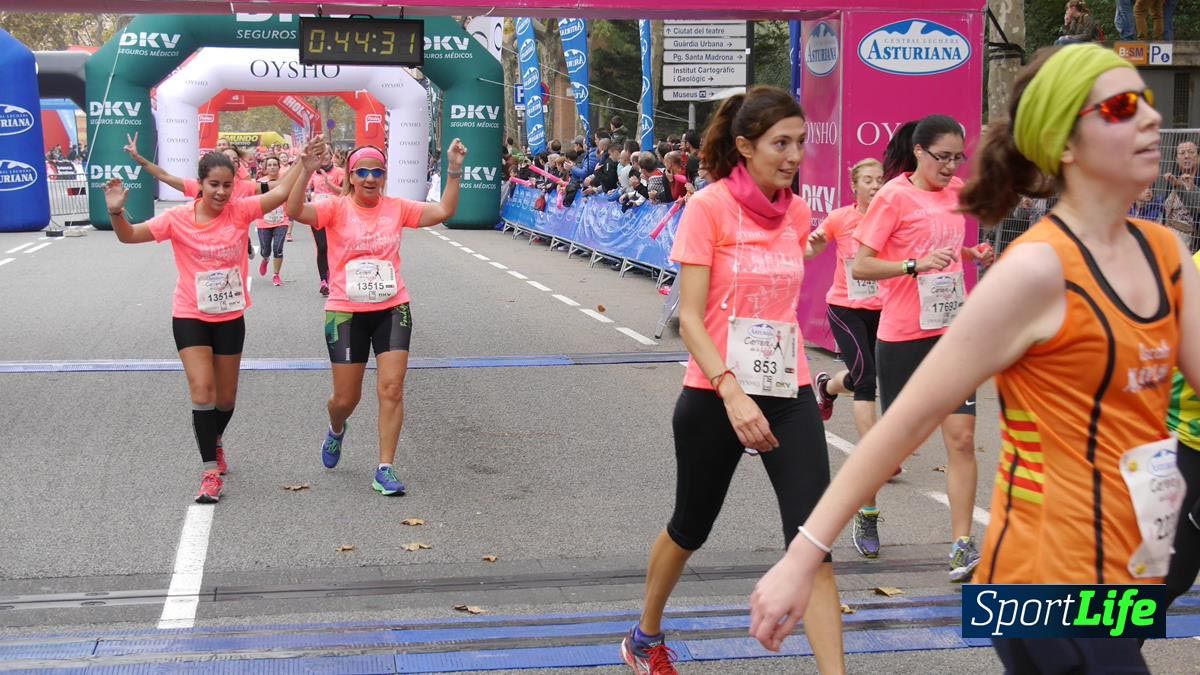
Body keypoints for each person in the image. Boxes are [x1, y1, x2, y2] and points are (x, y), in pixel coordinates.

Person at [750, 43, 1198, 672]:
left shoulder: (1168, 252)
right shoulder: (1038, 271)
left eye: (1148, 103)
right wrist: (802, 558)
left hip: (1130, 569)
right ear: (1063, 143)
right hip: (1043, 583)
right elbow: (901, 426)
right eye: (1123, 106)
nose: (1150, 118)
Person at [620, 86, 844, 675]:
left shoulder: (795, 211)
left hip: (788, 390)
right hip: (714, 391)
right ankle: (645, 635)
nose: (794, 155)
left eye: (800, 142)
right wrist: (730, 389)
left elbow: (786, 282)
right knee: (690, 527)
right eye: (780, 143)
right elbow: (689, 317)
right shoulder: (709, 208)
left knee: (812, 544)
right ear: (745, 146)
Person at [103, 151, 300, 503]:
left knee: (225, 399)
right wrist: (117, 211)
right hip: (190, 314)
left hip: (229, 317)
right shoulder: (177, 218)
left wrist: (307, 164)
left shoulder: (241, 211)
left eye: (227, 185)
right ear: (200, 184)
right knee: (202, 390)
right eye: (214, 185)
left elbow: (282, 192)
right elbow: (129, 236)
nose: (221, 192)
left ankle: (214, 437)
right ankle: (210, 472)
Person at [851, 114, 994, 581]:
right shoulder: (893, 196)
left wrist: (973, 256)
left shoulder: (958, 195)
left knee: (963, 438)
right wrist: (912, 265)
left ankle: (961, 545)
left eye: (958, 157)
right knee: (895, 446)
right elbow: (863, 268)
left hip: (953, 334)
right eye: (943, 157)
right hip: (903, 336)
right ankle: (867, 510)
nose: (952, 167)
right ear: (918, 152)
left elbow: (947, 251)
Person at [285, 136, 468, 496]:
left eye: (377, 172)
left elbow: (443, 211)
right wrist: (304, 172)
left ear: (385, 176)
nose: (370, 178)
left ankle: (385, 467)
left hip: (392, 307)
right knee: (345, 399)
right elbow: (295, 212)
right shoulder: (335, 209)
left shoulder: (397, 208)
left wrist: (455, 170)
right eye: (362, 172)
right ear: (351, 176)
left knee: (392, 388)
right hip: (345, 312)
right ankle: (337, 428)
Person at [808, 158, 889, 558]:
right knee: (867, 376)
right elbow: (813, 246)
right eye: (869, 180)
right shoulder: (841, 218)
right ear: (854, 185)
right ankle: (868, 509)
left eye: (880, 180)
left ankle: (826, 386)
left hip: (883, 310)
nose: (876, 186)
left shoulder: (892, 217)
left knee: (868, 376)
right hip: (844, 307)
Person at [305, 148, 345, 296]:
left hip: (337, 214)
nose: (325, 158)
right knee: (322, 247)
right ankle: (324, 281)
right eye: (321, 155)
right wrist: (307, 193)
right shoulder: (311, 174)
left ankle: (336, 277)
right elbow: (305, 189)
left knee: (335, 247)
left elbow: (345, 192)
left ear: (331, 155)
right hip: (318, 213)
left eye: (327, 154)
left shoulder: (340, 172)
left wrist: (329, 184)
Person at [255, 155, 291, 286]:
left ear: (279, 167)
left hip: (282, 220)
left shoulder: (285, 182)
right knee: (266, 250)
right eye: (269, 165)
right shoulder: (260, 183)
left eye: (274, 165)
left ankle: (276, 274)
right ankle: (265, 259)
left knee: (278, 248)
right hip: (264, 220)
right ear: (265, 168)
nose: (272, 167)